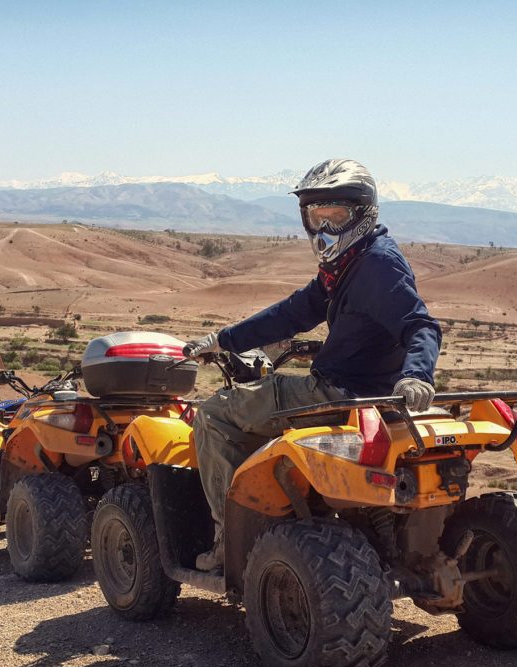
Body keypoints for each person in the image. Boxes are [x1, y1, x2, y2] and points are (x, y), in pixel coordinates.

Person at [184, 159, 442, 572]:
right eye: (314, 216)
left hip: (341, 392)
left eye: (334, 216)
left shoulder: (376, 265)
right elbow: (293, 313)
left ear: (362, 214)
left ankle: (227, 540)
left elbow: (419, 324)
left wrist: (417, 373)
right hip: (364, 392)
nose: (323, 228)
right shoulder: (347, 264)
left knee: (214, 414)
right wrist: (223, 339)